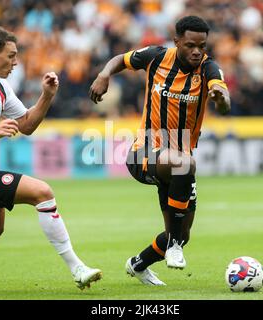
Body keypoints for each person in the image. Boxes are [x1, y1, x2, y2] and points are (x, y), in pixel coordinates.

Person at [0, 27, 102, 292]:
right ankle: (77, 268)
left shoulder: (0, 88)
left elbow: (27, 125)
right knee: (42, 192)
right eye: (11, 56)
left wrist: (46, 96)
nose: (15, 62)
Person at [89, 16, 230, 285]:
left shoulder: (209, 68)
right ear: (177, 41)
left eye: (202, 45)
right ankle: (174, 246)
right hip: (143, 153)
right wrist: (104, 74)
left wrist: (221, 100)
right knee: (185, 164)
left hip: (177, 161)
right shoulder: (156, 57)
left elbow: (223, 97)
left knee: (182, 231)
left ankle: (138, 264)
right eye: (190, 45)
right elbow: (120, 59)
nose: (197, 51)